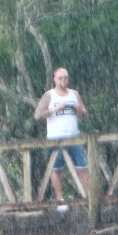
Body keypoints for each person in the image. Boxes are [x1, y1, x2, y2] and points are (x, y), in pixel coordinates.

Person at [35, 66, 88, 203]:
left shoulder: (74, 94)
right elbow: (38, 115)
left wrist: (79, 110)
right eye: (60, 78)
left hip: (74, 137)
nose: (63, 80)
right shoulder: (49, 95)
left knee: (82, 168)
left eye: (65, 78)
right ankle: (60, 200)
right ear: (54, 79)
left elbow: (84, 114)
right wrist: (54, 109)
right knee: (57, 169)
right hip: (55, 138)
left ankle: (88, 198)